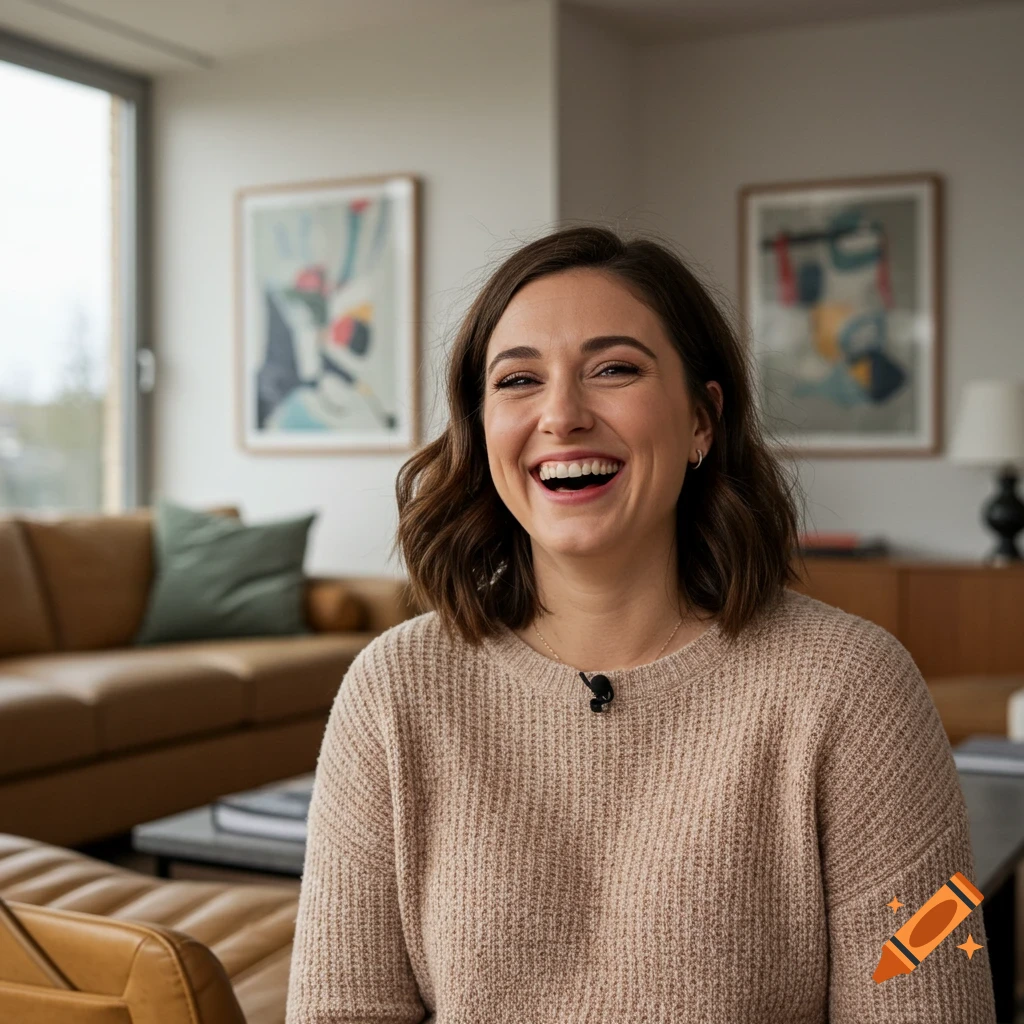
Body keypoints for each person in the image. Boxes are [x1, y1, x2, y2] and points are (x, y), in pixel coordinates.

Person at [285, 226, 996, 1023]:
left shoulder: (856, 686)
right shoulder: (392, 691)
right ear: (482, 431)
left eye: (614, 369)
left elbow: (928, 985)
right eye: (518, 380)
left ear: (702, 418)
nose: (561, 415)